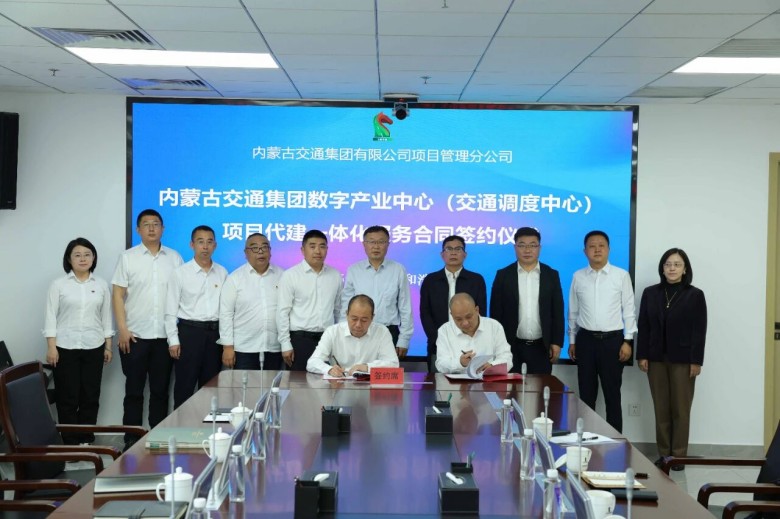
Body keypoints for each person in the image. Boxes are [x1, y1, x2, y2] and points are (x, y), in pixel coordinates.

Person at [112, 209, 183, 442]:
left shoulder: (174, 258)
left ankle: (157, 439)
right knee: (133, 392)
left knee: (160, 392)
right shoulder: (128, 257)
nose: (151, 228)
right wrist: (122, 329)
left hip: (164, 337)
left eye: (156, 224)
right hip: (134, 336)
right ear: (138, 229)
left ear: (163, 228)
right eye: (146, 224)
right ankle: (131, 442)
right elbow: (118, 294)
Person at [637, 248, 707, 469]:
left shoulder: (695, 295)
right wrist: (642, 354)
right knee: (661, 408)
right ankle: (664, 454)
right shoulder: (651, 293)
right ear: (662, 268)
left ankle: (678, 456)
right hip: (656, 358)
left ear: (685, 269)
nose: (672, 268)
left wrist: (696, 361)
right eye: (668, 264)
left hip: (683, 360)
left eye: (677, 264)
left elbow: (699, 330)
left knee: (680, 409)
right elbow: (644, 326)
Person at [44, 237, 113, 444]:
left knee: (90, 395)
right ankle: (70, 442)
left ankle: (86, 439)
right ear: (69, 259)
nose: (83, 259)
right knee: (67, 396)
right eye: (77, 255)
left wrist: (108, 346)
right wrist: (51, 347)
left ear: (94, 258)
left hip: (94, 346)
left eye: (87, 254)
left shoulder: (101, 285)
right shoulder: (58, 285)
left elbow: (106, 317)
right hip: (65, 347)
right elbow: (50, 317)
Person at [568, 230, 637, 433]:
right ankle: (585, 441)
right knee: (586, 395)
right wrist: (572, 340)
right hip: (585, 341)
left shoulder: (621, 275)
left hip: (613, 342)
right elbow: (573, 311)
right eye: (592, 246)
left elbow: (629, 310)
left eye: (601, 246)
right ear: (585, 251)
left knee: (612, 395)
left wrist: (628, 341)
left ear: (608, 249)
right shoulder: (578, 276)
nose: (597, 249)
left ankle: (615, 443)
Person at [165, 225, 227, 408]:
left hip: (215, 335)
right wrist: (173, 340)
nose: (205, 246)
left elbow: (226, 310)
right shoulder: (180, 273)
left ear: (215, 245)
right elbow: (170, 309)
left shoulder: (222, 273)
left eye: (209, 242)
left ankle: (207, 425)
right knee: (184, 386)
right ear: (192, 245)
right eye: (200, 242)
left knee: (211, 388)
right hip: (189, 334)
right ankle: (181, 425)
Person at [490, 227, 564, 374]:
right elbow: (495, 313)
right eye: (522, 245)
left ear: (539, 248)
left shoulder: (551, 275)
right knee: (511, 387)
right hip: (511, 347)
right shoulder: (503, 275)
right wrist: (496, 345)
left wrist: (556, 342)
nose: (527, 250)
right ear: (515, 247)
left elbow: (557, 311)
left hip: (542, 346)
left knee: (540, 386)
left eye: (532, 245)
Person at [341, 225, 412, 359]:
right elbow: (345, 305)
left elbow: (405, 307)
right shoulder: (354, 270)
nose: (376, 246)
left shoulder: (398, 270)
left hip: (389, 332)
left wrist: (404, 339)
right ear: (364, 245)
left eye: (381, 242)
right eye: (371, 242)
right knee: (359, 370)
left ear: (388, 244)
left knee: (387, 371)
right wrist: (343, 334)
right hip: (360, 331)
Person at [277, 229, 343, 371]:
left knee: (327, 381)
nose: (318, 251)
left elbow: (338, 310)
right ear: (303, 250)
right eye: (312, 246)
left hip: (327, 340)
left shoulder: (335, 275)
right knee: (298, 382)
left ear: (327, 249)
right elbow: (282, 312)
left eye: (322, 246)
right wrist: (285, 344)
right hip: (300, 340)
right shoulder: (290, 275)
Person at [420, 235, 487, 372]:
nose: (453, 252)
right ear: (442, 254)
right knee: (438, 382)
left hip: (470, 345)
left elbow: (481, 313)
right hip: (438, 346)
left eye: (458, 249)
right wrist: (437, 339)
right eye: (449, 249)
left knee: (470, 383)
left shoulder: (476, 280)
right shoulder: (430, 280)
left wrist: (470, 337)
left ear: (465, 254)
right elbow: (425, 313)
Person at [218, 233, 284, 370]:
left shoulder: (283, 276)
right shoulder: (234, 278)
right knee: (244, 384)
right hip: (244, 348)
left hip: (275, 347)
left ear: (270, 251)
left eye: (264, 247)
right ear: (245, 253)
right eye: (254, 248)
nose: (260, 251)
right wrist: (227, 346)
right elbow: (226, 314)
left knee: (273, 383)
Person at [307, 295, 399, 376]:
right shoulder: (332, 332)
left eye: (364, 320)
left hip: (369, 387)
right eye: (354, 319)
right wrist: (329, 370)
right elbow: (312, 362)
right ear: (347, 315)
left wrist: (367, 367)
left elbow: (394, 364)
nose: (358, 325)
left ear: (372, 318)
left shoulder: (382, 332)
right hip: (339, 386)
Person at [435, 293, 512, 374]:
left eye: (469, 317)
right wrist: (460, 363)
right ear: (452, 315)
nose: (465, 323)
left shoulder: (494, 327)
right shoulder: (444, 331)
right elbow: (441, 365)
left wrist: (492, 366)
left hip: (488, 380)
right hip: (457, 381)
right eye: (458, 319)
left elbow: (507, 359)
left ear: (477, 310)